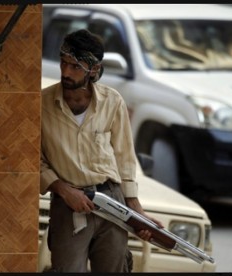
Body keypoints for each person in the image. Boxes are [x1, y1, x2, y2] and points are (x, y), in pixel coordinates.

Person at [40, 29, 164, 272]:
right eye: (64, 63)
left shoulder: (113, 101)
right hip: (68, 205)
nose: (66, 72)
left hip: (112, 201)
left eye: (75, 67)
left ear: (94, 70)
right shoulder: (41, 104)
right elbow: (33, 160)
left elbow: (125, 160)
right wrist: (64, 191)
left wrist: (137, 214)